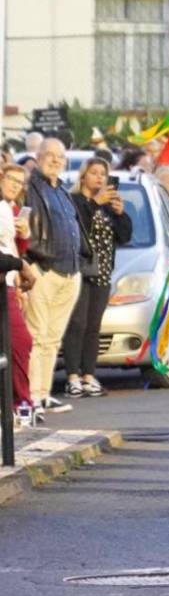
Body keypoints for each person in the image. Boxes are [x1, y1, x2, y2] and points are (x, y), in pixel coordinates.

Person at [22, 139, 85, 415]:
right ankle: (31, 397)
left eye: (60, 156)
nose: (55, 160)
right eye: (49, 155)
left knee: (52, 338)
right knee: (36, 335)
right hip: (43, 268)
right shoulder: (30, 186)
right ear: (38, 157)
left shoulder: (62, 190)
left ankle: (43, 394)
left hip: (70, 272)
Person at [61, 158, 132, 398]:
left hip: (102, 272)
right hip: (79, 270)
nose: (100, 178)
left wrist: (121, 215)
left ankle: (89, 375)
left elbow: (124, 237)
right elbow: (77, 226)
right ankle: (72, 376)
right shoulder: (76, 201)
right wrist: (93, 202)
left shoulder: (107, 206)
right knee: (77, 323)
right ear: (83, 176)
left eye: (103, 174)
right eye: (94, 173)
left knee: (93, 326)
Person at [0, 164, 38, 413]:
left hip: (11, 281)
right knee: (20, 341)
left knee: (15, 344)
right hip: (5, 279)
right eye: (11, 179)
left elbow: (15, 248)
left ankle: (18, 403)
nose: (15, 185)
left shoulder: (10, 208)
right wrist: (20, 265)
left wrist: (24, 236)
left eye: (20, 182)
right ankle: (21, 403)